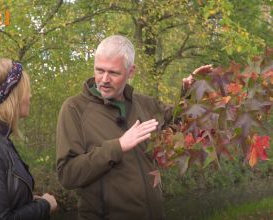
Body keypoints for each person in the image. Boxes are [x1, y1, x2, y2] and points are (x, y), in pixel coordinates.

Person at [56, 35, 212, 220]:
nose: (104, 79)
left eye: (113, 73)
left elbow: (179, 124)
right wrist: (118, 146)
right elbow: (68, 174)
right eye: (99, 70)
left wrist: (189, 93)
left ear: (131, 72)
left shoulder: (145, 104)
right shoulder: (75, 109)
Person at [0, 58, 57, 219]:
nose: (30, 95)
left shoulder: (4, 141)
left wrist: (28, 201)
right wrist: (44, 205)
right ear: (11, 94)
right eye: (26, 90)